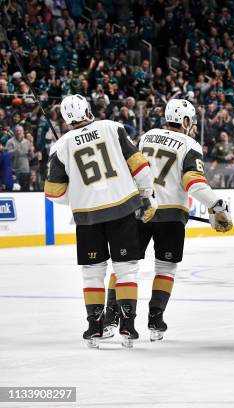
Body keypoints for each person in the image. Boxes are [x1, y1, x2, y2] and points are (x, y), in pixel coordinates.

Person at [102, 99, 233, 341]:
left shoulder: (147, 136)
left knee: (124, 266)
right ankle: (155, 319)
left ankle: (110, 317)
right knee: (165, 267)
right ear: (185, 121)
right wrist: (215, 205)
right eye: (191, 122)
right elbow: (193, 182)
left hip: (140, 210)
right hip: (171, 215)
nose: (192, 126)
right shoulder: (189, 143)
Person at [44, 94, 157, 348]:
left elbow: (53, 193)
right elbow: (140, 166)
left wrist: (77, 196)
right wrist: (146, 195)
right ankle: (127, 326)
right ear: (88, 109)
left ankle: (94, 326)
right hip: (122, 209)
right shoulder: (113, 128)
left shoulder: (60, 146)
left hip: (87, 217)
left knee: (92, 274)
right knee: (126, 269)